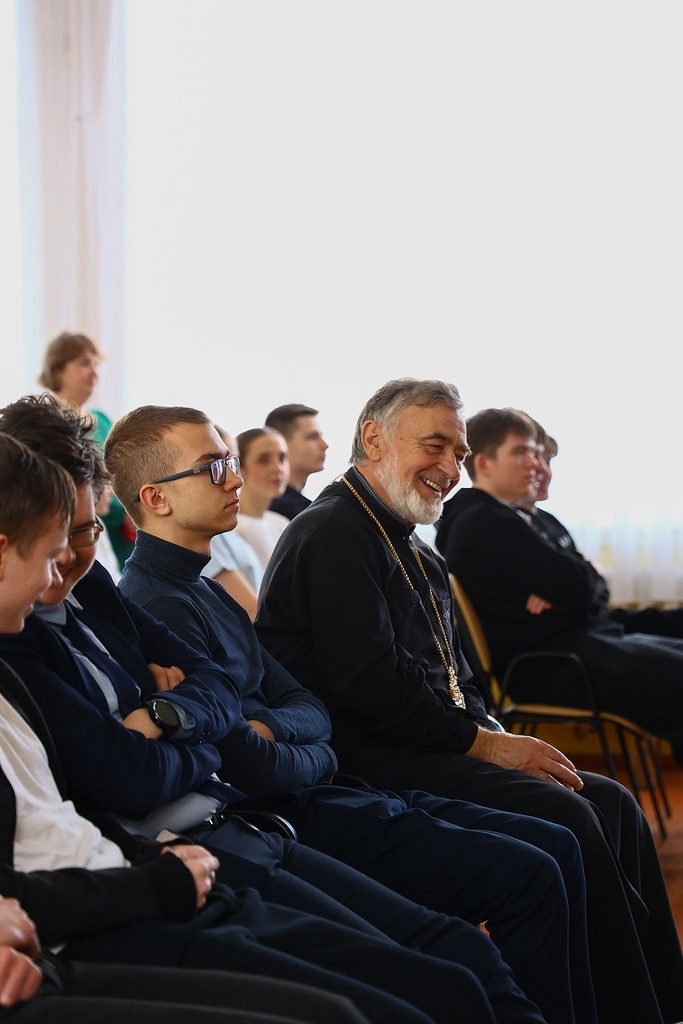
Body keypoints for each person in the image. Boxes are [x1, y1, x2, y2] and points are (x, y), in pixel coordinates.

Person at [0, 394, 550, 1024]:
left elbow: (292, 706)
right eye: (217, 467)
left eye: (87, 531)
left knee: (484, 924)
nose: (234, 480)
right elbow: (151, 769)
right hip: (226, 826)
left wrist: (172, 719)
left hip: (265, 807)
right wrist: (215, 732)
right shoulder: (127, 603)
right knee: (467, 941)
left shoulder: (151, 589)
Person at [255, 377, 683, 1024]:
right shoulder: (333, 532)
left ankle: (654, 1004)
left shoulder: (412, 546)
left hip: (428, 737)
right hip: (363, 756)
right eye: (434, 446)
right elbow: (373, 687)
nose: (450, 469)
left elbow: (458, 676)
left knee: (611, 800)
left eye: (457, 453)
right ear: (373, 437)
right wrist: (488, 746)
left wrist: (491, 732)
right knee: (568, 811)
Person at [0, 431, 376, 1024]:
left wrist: (163, 716)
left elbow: (243, 694)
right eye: (53, 546)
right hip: (152, 866)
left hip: (187, 841)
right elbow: (126, 778)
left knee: (419, 966)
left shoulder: (103, 590)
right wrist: (159, 872)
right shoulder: (27, 640)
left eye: (86, 532)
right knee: (359, 999)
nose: (62, 566)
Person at [434, 405, 683, 762]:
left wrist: (578, 583)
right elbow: (581, 589)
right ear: (485, 463)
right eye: (521, 452)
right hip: (550, 665)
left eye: (537, 453)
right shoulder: (483, 522)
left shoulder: (513, 518)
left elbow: (588, 589)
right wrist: (581, 582)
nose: (536, 464)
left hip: (576, 645)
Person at [515, 412, 683, 639]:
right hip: (583, 634)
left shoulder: (548, 520)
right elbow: (580, 588)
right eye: (535, 460)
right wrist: (575, 582)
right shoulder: (509, 526)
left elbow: (592, 584)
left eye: (547, 461)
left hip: (599, 620)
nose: (544, 471)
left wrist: (584, 574)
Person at [37, 330, 136, 569]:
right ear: (57, 370)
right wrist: (123, 512)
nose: (94, 372)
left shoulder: (101, 419)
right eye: (84, 363)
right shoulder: (44, 422)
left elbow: (127, 469)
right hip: (80, 533)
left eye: (96, 364)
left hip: (124, 533)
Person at [201, 428, 262, 620]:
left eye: (233, 463)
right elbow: (251, 613)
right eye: (218, 466)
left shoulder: (225, 529)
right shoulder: (208, 537)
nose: (237, 479)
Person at [230, 427, 291, 570]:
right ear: (241, 468)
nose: (278, 468)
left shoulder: (281, 523)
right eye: (264, 460)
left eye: (282, 458)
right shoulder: (233, 529)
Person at [265, 404, 328, 519]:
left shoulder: (304, 508)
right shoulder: (279, 512)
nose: (325, 445)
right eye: (312, 437)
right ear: (281, 444)